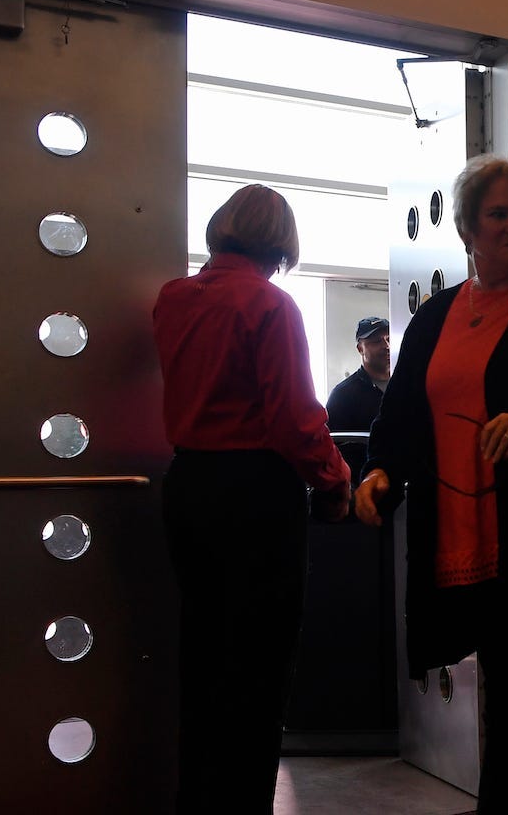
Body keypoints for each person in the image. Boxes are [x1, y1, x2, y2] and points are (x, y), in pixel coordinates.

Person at [353, 156, 508, 814]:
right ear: (467, 230)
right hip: (451, 536)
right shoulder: (434, 316)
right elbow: (399, 416)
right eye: (500, 214)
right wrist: (378, 472)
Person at [152, 184, 351, 811]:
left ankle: (198, 800)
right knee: (259, 670)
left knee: (204, 659)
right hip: (256, 497)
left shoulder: (172, 300)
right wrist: (335, 478)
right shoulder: (270, 304)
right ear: (281, 241)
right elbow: (293, 419)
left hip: (189, 488)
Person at [325, 315, 391, 432]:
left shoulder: (406, 385)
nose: (386, 346)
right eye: (376, 341)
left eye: (389, 339)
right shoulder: (343, 395)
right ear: (360, 349)